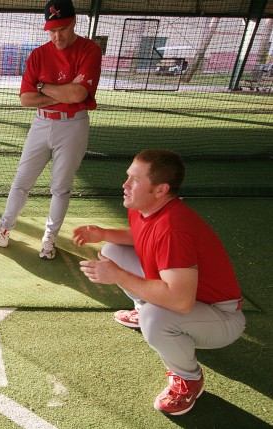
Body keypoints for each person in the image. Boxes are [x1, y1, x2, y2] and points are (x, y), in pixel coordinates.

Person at [73, 149, 245, 416]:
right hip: (192, 302)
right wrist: (104, 233)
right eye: (127, 177)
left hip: (222, 318)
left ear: (161, 189)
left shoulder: (173, 229)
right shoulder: (146, 208)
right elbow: (141, 235)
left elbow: (180, 300)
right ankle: (146, 313)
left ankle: (188, 379)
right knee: (112, 251)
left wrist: (117, 275)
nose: (125, 185)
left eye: (135, 180)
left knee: (156, 316)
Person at [0, 0, 102, 259]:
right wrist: (63, 94)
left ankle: (49, 238)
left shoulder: (89, 50)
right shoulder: (38, 55)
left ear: (74, 22)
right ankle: (3, 230)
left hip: (74, 125)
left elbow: (79, 93)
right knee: (21, 181)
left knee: (61, 187)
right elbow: (25, 99)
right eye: (52, 31)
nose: (57, 36)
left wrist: (42, 86)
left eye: (62, 29)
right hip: (42, 122)